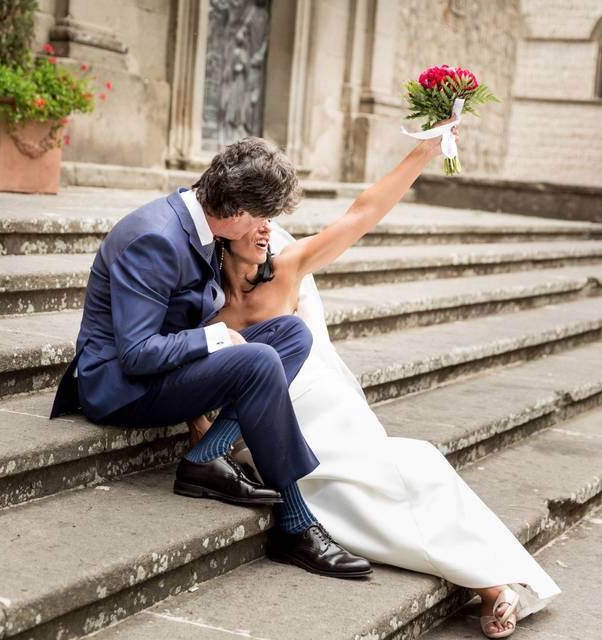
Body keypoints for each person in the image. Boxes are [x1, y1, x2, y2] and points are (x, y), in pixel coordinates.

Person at [198, 124, 562, 638]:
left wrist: (424, 151)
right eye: (256, 224)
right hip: (279, 430)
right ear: (226, 234)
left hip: (330, 409)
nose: (266, 233)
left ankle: (495, 585)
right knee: (356, 506)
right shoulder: (210, 315)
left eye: (270, 225)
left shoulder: (288, 269)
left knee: (419, 468)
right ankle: (489, 586)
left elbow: (362, 214)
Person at [50, 137, 372, 579]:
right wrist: (218, 340)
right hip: (118, 387)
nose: (268, 229)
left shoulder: (202, 224)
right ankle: (295, 524)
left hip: (164, 368)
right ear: (236, 210)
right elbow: (137, 354)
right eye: (263, 217)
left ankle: (207, 456)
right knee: (256, 360)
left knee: (292, 333)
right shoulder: (155, 238)